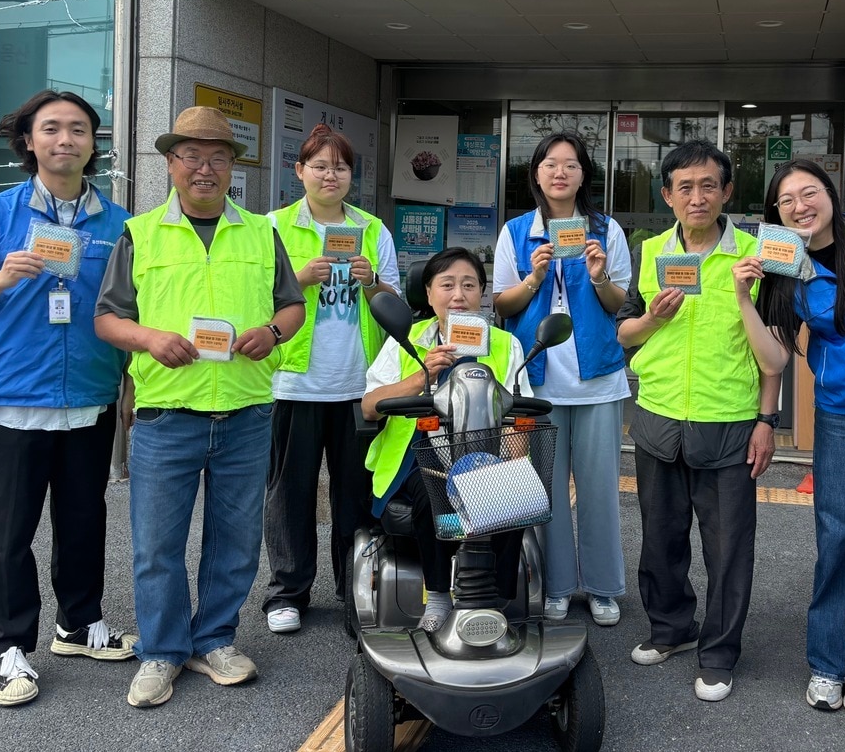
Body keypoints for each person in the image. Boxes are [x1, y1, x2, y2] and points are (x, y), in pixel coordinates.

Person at [93, 106, 305, 709]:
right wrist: (151, 339)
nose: (203, 168)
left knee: (235, 540)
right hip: (166, 415)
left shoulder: (263, 233)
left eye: (216, 156)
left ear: (232, 166)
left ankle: (214, 640)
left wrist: (273, 331)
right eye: (191, 156)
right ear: (171, 165)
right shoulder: (140, 233)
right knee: (156, 543)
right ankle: (160, 653)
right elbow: (108, 319)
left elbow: (292, 307)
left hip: (246, 412)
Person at [0, 90, 135, 707]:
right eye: (51, 129)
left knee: (83, 521)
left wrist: (125, 385)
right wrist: (0, 277)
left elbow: (125, 310)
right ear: (27, 141)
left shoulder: (118, 224)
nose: (65, 140)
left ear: (93, 143)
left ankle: (79, 623)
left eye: (78, 129)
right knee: (6, 533)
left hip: (88, 399)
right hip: (13, 400)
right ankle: (6, 648)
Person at [616, 140, 780, 704]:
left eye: (708, 184)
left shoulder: (757, 256)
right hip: (659, 415)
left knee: (729, 547)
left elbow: (774, 350)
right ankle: (672, 629)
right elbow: (626, 334)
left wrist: (767, 420)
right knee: (660, 538)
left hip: (730, 420)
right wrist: (651, 318)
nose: (697, 196)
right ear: (667, 195)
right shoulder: (653, 250)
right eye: (684, 186)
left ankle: (719, 652)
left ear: (727, 191)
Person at [733, 158, 845, 716]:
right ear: (775, 214)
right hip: (842, 414)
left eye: (809, 192)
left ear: (831, 195)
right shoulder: (783, 268)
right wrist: (745, 296)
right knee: (839, 533)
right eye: (786, 201)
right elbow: (774, 359)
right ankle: (827, 664)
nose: (800, 206)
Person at [262, 124, 399, 635]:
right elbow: (253, 301)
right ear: (299, 171)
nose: (330, 175)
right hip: (294, 383)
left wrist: (373, 282)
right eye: (319, 166)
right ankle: (287, 592)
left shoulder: (372, 229)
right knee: (288, 491)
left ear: (350, 177)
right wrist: (298, 279)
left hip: (358, 387)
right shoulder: (272, 227)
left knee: (355, 493)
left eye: (339, 167)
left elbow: (395, 307)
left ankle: (354, 586)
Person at [492, 132, 629, 627]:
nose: (560, 173)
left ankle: (603, 587)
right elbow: (500, 306)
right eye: (551, 164)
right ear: (536, 174)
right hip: (537, 381)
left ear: (583, 175)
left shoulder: (606, 231)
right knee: (543, 489)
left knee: (598, 489)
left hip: (597, 380)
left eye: (571, 165)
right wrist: (532, 278)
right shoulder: (516, 232)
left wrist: (597, 274)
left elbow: (621, 306)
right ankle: (555, 585)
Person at [362, 247, 531, 633]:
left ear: (483, 294)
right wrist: (422, 376)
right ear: (428, 292)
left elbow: (521, 415)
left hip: (487, 452)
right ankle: (437, 593)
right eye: (447, 284)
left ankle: (494, 598)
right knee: (431, 490)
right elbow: (370, 406)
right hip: (419, 454)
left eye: (469, 285)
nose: (458, 294)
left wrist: (512, 467)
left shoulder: (505, 344)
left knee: (515, 492)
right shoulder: (407, 340)